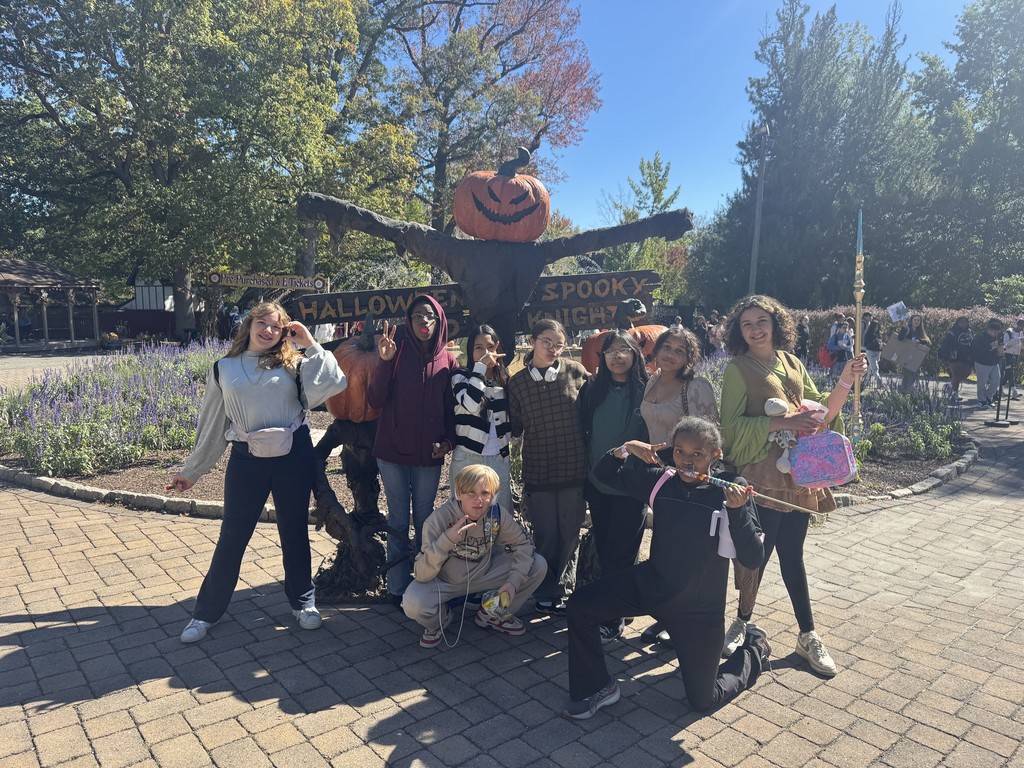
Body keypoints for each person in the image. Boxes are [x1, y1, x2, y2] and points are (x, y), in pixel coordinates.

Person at [562, 417, 769, 719]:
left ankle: (754, 650)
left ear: (715, 454)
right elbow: (604, 474)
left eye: (698, 454)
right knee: (580, 606)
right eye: (680, 452)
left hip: (698, 611)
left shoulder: (730, 489)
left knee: (703, 700)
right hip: (652, 587)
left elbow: (752, 558)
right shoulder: (661, 481)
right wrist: (625, 449)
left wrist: (737, 512)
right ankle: (598, 687)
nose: (687, 461)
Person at [170, 302, 347, 643]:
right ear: (249, 325)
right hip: (246, 459)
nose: (268, 330)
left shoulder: (294, 364)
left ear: (284, 332)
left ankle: (303, 602)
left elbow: (335, 381)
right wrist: (192, 471)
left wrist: (310, 344)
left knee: (294, 530)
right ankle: (205, 612)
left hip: (293, 455)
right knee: (233, 535)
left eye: (276, 327)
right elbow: (213, 424)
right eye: (262, 323)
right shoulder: (224, 368)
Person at [719, 295, 865, 677]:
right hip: (762, 474)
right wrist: (784, 423)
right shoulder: (737, 369)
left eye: (762, 321)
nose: (755, 329)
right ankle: (742, 621)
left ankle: (807, 635)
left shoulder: (791, 362)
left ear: (775, 323)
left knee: (792, 555)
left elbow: (822, 412)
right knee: (758, 554)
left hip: (799, 472)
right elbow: (730, 427)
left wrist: (846, 378)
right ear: (739, 331)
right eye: (747, 323)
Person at [369, 295, 458, 604]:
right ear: (409, 320)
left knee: (424, 520)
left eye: (430, 315)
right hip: (392, 452)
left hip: (427, 457)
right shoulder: (395, 351)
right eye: (418, 315)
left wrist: (447, 443)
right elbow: (375, 399)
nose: (424, 321)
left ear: (439, 321)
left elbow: (451, 411)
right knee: (397, 519)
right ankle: (396, 586)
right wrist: (384, 362)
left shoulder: (448, 361)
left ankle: (423, 580)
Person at [402, 465, 547, 648]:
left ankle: (493, 613)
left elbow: (524, 545)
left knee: (538, 565)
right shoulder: (438, 519)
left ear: (493, 496)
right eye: (471, 492)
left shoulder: (496, 514)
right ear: (458, 493)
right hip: (445, 582)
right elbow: (421, 574)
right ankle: (439, 620)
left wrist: (513, 582)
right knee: (412, 602)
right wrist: (446, 541)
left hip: (484, 573)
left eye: (485, 493)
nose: (479, 500)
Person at [639, 326, 719, 645]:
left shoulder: (696, 387)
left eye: (679, 350)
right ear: (656, 350)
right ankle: (667, 615)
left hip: (688, 476)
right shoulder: (652, 381)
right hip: (661, 477)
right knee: (665, 549)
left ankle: (687, 621)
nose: (671, 354)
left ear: (689, 357)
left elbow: (711, 436)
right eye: (666, 347)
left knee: (690, 552)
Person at [508, 318, 589, 615]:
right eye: (547, 342)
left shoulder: (575, 371)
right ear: (533, 342)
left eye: (559, 345)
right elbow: (515, 425)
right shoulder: (517, 383)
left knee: (569, 533)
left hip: (573, 467)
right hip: (539, 468)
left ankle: (563, 588)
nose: (553, 349)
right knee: (545, 534)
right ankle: (544, 590)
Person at [578, 331, 649, 643]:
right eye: (610, 351)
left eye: (624, 350)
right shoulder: (593, 389)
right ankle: (621, 604)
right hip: (598, 482)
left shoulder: (647, 391)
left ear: (635, 354)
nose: (617, 356)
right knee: (607, 550)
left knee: (623, 552)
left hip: (630, 487)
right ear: (602, 357)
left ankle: (612, 615)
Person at [450, 325, 513, 513]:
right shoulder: (460, 376)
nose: (486, 352)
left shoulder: (504, 379)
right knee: (464, 514)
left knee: (499, 515)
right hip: (468, 457)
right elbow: (471, 404)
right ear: (470, 351)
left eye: (490, 347)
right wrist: (480, 368)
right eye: (479, 347)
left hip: (499, 458)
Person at [939, 317, 973, 404]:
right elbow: (947, 344)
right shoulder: (953, 332)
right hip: (955, 356)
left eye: (965, 321)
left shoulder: (969, 331)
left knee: (966, 373)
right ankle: (955, 393)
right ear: (958, 322)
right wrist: (948, 355)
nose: (964, 323)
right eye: (961, 322)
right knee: (956, 374)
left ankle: (950, 386)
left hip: (966, 356)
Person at [971, 319, 1004, 408]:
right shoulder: (980, 337)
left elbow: (999, 349)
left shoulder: (998, 338)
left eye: (997, 332)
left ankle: (988, 397)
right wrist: (990, 346)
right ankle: (981, 401)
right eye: (994, 332)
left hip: (994, 362)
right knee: (982, 383)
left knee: (996, 381)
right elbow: (976, 351)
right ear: (989, 330)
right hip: (982, 363)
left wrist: (1000, 352)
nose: (996, 334)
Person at [896, 314, 931, 392]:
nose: (916, 322)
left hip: (916, 358)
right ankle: (903, 392)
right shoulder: (907, 329)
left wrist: (920, 341)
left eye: (918, 320)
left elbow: (928, 341)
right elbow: (900, 338)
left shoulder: (920, 332)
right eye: (915, 320)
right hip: (906, 356)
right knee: (907, 375)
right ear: (911, 321)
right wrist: (904, 328)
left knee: (915, 375)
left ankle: (908, 391)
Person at [1001, 318, 1023, 400]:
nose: (1021, 329)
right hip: (1007, 354)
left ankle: (1000, 388)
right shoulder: (1008, 332)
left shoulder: (1021, 333)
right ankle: (1014, 391)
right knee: (1009, 371)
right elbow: (1006, 345)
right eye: (1020, 326)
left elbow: (1020, 345)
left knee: (1009, 373)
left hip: (1016, 354)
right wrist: (1017, 339)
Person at [862, 313, 883, 388]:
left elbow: (879, 342)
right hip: (871, 351)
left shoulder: (878, 334)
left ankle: (866, 382)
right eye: (876, 326)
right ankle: (878, 380)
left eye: (878, 327)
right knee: (875, 367)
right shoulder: (869, 334)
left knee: (871, 367)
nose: (877, 328)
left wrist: (881, 344)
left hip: (877, 351)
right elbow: (867, 343)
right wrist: (875, 342)